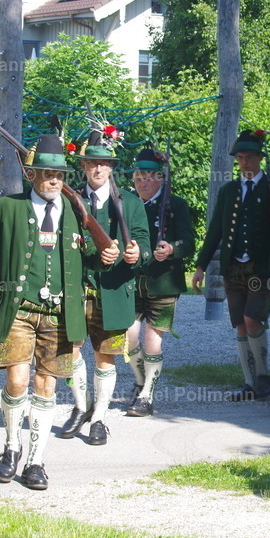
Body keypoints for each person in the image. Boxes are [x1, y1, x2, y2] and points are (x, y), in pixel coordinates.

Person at [0, 134, 113, 490]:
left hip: (62, 314)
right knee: (16, 381)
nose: (53, 180)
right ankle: (11, 446)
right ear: (31, 175)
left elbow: (86, 258)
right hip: (18, 310)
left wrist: (105, 258)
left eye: (59, 175)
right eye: (46, 173)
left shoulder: (77, 213)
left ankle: (35, 461)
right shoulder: (7, 208)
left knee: (46, 386)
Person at [58, 129, 150, 445]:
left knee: (104, 356)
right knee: (70, 352)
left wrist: (136, 253)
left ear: (111, 167)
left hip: (113, 291)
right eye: (92, 163)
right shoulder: (70, 202)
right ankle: (81, 407)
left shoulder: (131, 203)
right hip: (76, 289)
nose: (98, 169)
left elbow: (145, 245)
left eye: (104, 164)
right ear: (83, 167)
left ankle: (99, 418)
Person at [193, 129, 270, 401]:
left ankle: (263, 376)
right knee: (240, 324)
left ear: (260, 158)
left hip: (264, 268)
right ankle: (249, 383)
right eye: (240, 158)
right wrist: (201, 265)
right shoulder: (229, 190)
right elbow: (215, 230)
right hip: (233, 267)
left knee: (253, 318)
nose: (245, 162)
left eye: (249, 157)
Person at [122, 146, 195, 417]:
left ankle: (146, 395)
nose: (142, 183)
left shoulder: (176, 205)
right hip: (132, 280)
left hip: (163, 282)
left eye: (148, 177)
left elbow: (189, 241)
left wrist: (172, 248)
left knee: (153, 341)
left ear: (160, 178)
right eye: (138, 177)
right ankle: (141, 381)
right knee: (128, 337)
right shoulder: (126, 203)